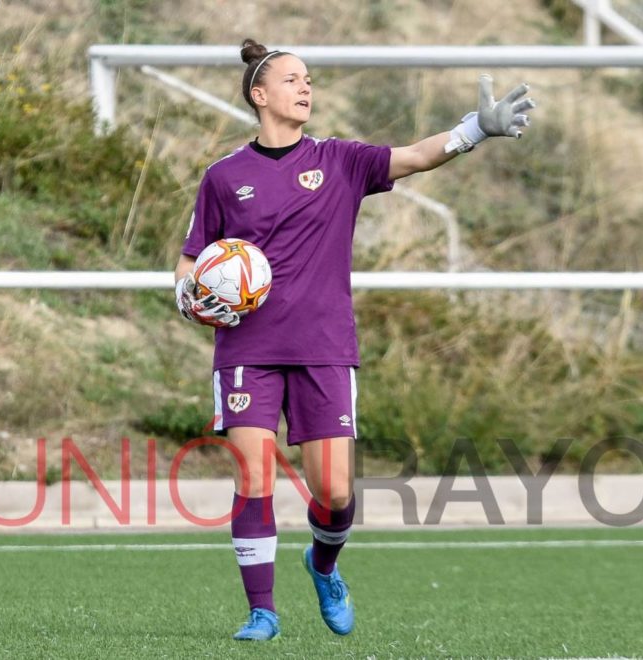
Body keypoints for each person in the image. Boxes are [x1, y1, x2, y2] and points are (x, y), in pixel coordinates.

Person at [173, 38, 536, 641]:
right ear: (260, 95)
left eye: (309, 79)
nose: (306, 87)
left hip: (323, 348)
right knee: (254, 475)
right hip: (247, 353)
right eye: (292, 80)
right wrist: (192, 300)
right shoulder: (222, 177)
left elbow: (417, 157)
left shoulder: (341, 160)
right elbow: (189, 265)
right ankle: (262, 611)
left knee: (336, 491)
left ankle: (323, 563)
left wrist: (474, 129)